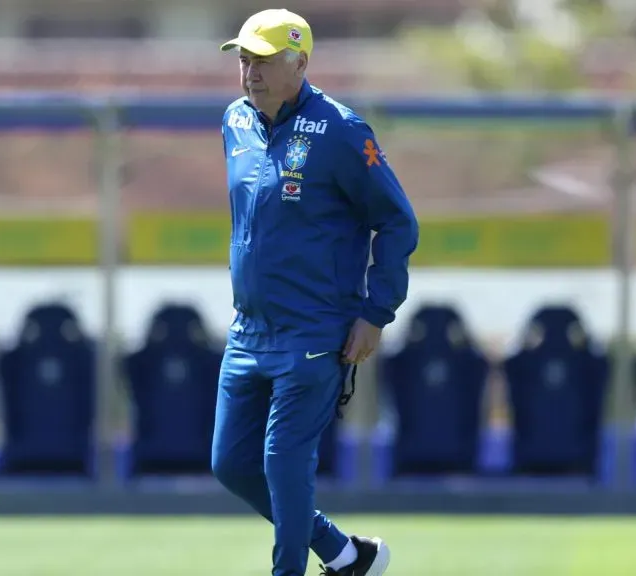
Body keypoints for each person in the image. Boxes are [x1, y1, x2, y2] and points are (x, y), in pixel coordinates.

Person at [211, 8, 419, 576]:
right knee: (230, 464)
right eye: (244, 59)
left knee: (284, 464)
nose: (249, 71)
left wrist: (376, 312)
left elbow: (398, 222)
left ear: (299, 63)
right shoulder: (234, 120)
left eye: (263, 60)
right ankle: (346, 555)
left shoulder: (343, 131)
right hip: (248, 331)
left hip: (314, 330)